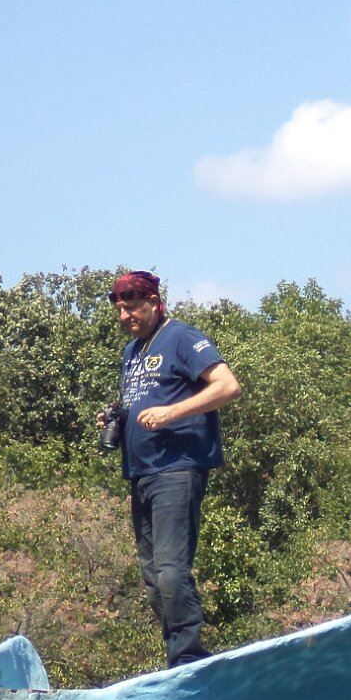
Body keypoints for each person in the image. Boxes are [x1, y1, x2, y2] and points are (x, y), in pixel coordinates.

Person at [100, 270, 241, 668]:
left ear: (154, 303)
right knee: (152, 579)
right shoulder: (132, 351)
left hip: (177, 469)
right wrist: (119, 418)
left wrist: (171, 413)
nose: (126, 316)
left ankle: (188, 655)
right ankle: (176, 658)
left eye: (133, 308)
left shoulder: (181, 337)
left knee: (170, 571)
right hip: (140, 473)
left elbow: (228, 386)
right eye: (121, 310)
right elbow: (145, 402)